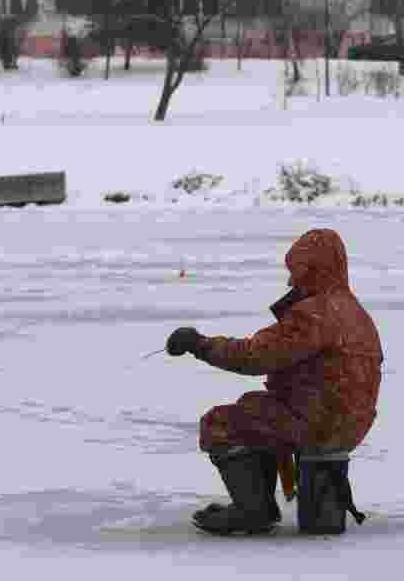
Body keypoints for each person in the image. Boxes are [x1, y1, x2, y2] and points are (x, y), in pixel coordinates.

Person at [165, 228, 384, 535]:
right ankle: (322, 510)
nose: (291, 281)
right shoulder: (356, 313)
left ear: (312, 269)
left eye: (296, 271)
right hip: (352, 423)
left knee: (221, 423)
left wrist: (199, 344)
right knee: (258, 408)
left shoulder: (315, 313)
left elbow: (255, 356)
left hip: (316, 420)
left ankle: (253, 511)